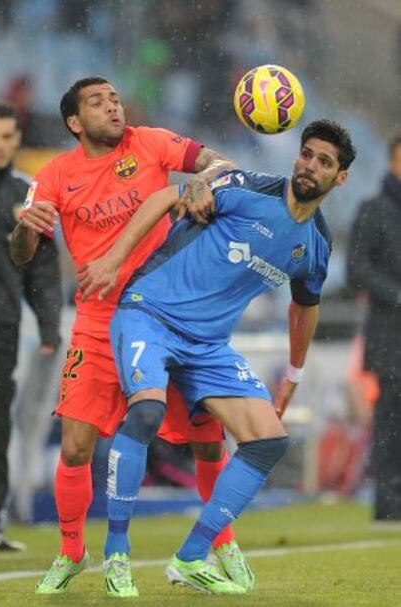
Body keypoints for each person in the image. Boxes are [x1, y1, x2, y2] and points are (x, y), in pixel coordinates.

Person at [79, 119, 356, 595]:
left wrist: (293, 373)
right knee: (146, 411)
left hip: (206, 346)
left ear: (340, 178)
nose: (309, 165)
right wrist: (114, 259)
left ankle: (190, 557)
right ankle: (116, 554)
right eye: (306, 154)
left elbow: (305, 307)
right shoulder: (248, 187)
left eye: (323, 161)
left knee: (269, 440)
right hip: (150, 313)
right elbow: (168, 197)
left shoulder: (315, 245)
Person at [10, 76, 251, 595]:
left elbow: (220, 160)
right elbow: (21, 255)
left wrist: (205, 177)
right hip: (97, 325)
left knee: (208, 440)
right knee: (75, 447)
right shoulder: (54, 175)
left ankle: (224, 543)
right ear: (75, 122)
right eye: (97, 102)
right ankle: (72, 551)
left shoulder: (151, 142)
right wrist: (27, 228)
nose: (113, 107)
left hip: (168, 318)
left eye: (115, 98)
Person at [0, 101, 62, 551]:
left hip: (0, 327)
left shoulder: (27, 197)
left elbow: (42, 269)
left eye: (5, 136)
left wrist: (50, 327)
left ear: (18, 140)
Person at [347, 136, 401, 521]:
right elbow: (356, 270)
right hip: (390, 336)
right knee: (391, 420)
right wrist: (397, 295)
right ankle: (389, 502)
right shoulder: (373, 209)